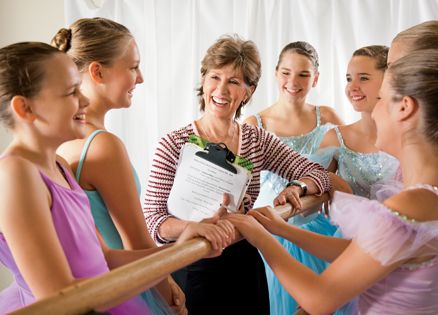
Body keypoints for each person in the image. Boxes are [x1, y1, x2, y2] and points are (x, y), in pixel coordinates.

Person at [0, 42, 233, 314]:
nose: (85, 100)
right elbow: (62, 300)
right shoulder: (15, 174)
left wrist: (182, 247)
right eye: (71, 92)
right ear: (25, 109)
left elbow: (107, 258)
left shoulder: (59, 165)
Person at [228, 49, 438, 315]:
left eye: (382, 98)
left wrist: (260, 237)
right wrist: (283, 230)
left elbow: (320, 299)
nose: (372, 111)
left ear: (405, 108)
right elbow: (359, 250)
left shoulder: (410, 204)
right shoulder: (426, 198)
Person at [143, 34, 332, 315]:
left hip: (243, 264)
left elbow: (318, 174)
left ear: (248, 91)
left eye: (234, 81)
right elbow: (154, 220)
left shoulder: (257, 140)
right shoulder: (173, 144)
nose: (221, 89)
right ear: (203, 81)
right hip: (190, 262)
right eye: (215, 77)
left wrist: (298, 187)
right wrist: (195, 228)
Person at [52, 18, 184, 314]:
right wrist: (169, 296)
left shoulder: (60, 141)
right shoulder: (102, 146)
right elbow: (136, 241)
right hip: (127, 290)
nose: (141, 78)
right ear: (98, 71)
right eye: (133, 67)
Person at [244, 41, 343, 315]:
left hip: (319, 231)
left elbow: (339, 175)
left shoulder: (329, 118)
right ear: (276, 73)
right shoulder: (255, 124)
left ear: (316, 78)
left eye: (303, 74)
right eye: (286, 72)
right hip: (269, 234)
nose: (293, 82)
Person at [318, 45, 399, 198]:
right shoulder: (335, 138)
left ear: (389, 80)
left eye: (363, 78)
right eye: (349, 79)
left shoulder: (412, 135)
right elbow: (313, 192)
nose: (352, 87)